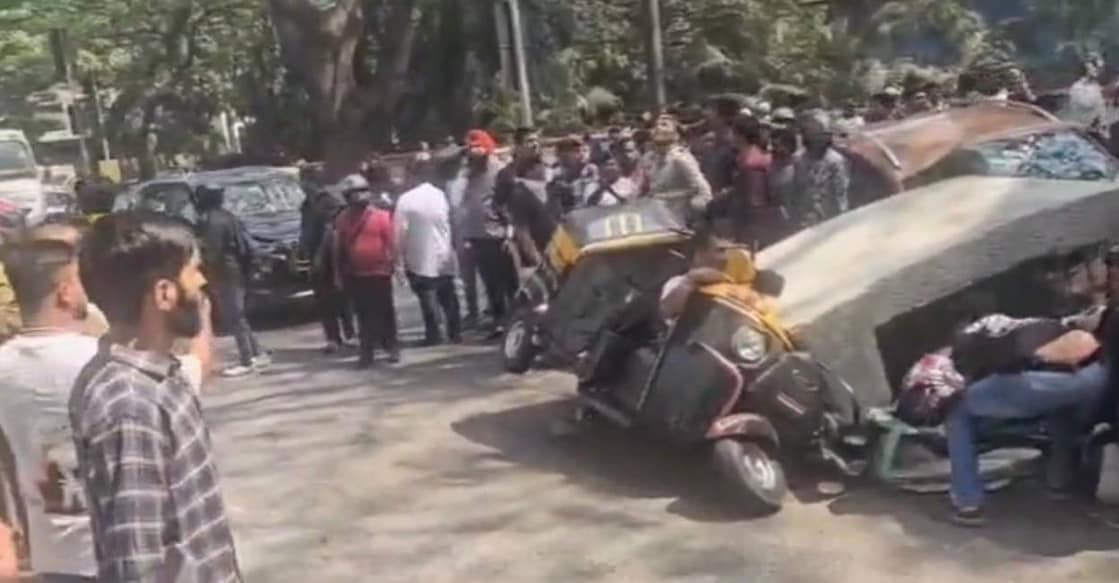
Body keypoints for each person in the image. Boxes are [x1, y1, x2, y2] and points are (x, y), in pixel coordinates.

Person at [70, 211, 240, 582]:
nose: (203, 282)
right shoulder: (128, 403)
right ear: (164, 293)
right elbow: (136, 560)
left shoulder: (161, 377)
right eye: (193, 270)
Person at [945, 313, 1109, 527]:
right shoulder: (1030, 322)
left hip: (1041, 381)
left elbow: (995, 376)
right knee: (1060, 406)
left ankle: (968, 503)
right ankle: (1060, 484)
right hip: (1097, 375)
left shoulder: (967, 345)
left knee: (957, 409)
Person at [195, 184, 270, 377]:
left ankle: (247, 359)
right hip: (235, 270)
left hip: (224, 273)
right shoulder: (228, 216)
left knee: (234, 317)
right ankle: (257, 353)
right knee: (239, 316)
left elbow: (212, 251)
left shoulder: (212, 222)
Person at [451, 130, 517, 337]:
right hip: (477, 235)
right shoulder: (469, 174)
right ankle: (499, 321)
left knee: (508, 282)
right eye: (470, 148)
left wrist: (510, 231)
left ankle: (516, 320)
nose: (473, 152)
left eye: (477, 147)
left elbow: (510, 203)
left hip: (498, 233)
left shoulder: (501, 171)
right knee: (490, 282)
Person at [334, 173, 400, 367]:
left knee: (385, 312)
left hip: (380, 273)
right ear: (347, 196)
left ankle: (392, 347)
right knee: (364, 315)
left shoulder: (381, 216)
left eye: (363, 191)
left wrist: (397, 267)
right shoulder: (342, 219)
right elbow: (338, 249)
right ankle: (367, 353)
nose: (361, 196)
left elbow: (391, 244)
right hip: (356, 274)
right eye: (356, 193)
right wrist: (338, 275)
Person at [395, 157, 461, 346]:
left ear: (412, 175)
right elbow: (453, 222)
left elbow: (399, 233)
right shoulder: (440, 195)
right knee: (448, 294)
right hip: (443, 253)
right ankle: (455, 332)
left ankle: (434, 334)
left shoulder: (405, 200)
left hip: (418, 257)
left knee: (428, 297)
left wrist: (398, 262)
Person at [303, 187, 355, 353]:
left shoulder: (337, 210)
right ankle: (336, 337)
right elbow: (306, 237)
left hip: (336, 261)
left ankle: (347, 334)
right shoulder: (307, 208)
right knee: (328, 302)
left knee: (343, 300)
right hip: (323, 263)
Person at [641, 115, 713, 224]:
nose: (657, 128)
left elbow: (704, 193)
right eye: (655, 125)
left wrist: (691, 214)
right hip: (657, 222)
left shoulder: (681, 159)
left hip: (680, 222)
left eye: (664, 125)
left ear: (676, 135)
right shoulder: (649, 159)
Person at [789, 110, 850, 228]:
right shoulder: (799, 159)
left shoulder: (835, 161)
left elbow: (841, 197)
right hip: (805, 222)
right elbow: (796, 192)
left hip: (829, 223)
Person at [547, 135, 599, 215]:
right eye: (576, 151)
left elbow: (593, 200)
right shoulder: (552, 176)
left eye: (584, 150)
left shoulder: (590, 170)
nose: (582, 154)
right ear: (560, 155)